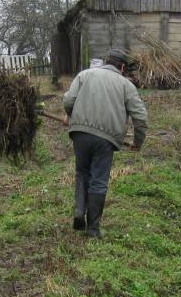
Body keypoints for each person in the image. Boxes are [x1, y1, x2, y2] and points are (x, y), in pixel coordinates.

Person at [62, 49, 148, 238]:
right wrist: (138, 142)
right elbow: (140, 118)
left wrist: (69, 115)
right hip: (106, 139)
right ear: (122, 67)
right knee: (99, 181)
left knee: (82, 172)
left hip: (80, 133)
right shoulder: (126, 85)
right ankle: (93, 229)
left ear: (105, 61)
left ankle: (79, 211)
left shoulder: (84, 75)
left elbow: (68, 100)